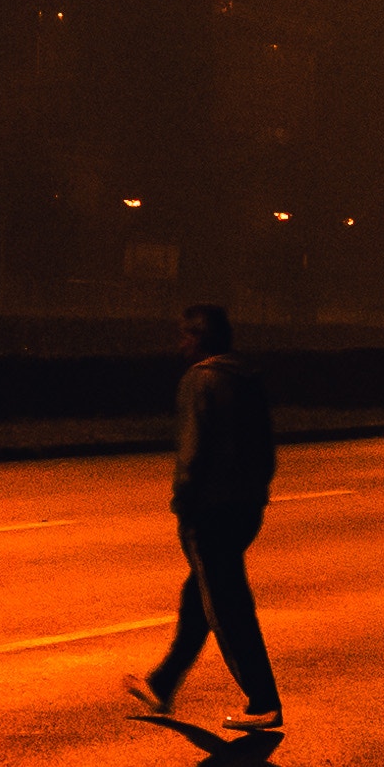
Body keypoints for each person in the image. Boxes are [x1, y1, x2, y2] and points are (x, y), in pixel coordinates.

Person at [122, 303, 283, 737]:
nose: (180, 344)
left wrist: (184, 501)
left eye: (185, 336)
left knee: (227, 605)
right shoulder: (248, 379)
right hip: (246, 506)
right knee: (202, 596)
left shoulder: (200, 380)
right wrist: (256, 493)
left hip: (210, 508)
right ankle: (163, 684)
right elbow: (267, 448)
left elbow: (193, 451)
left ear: (200, 339)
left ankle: (263, 700)